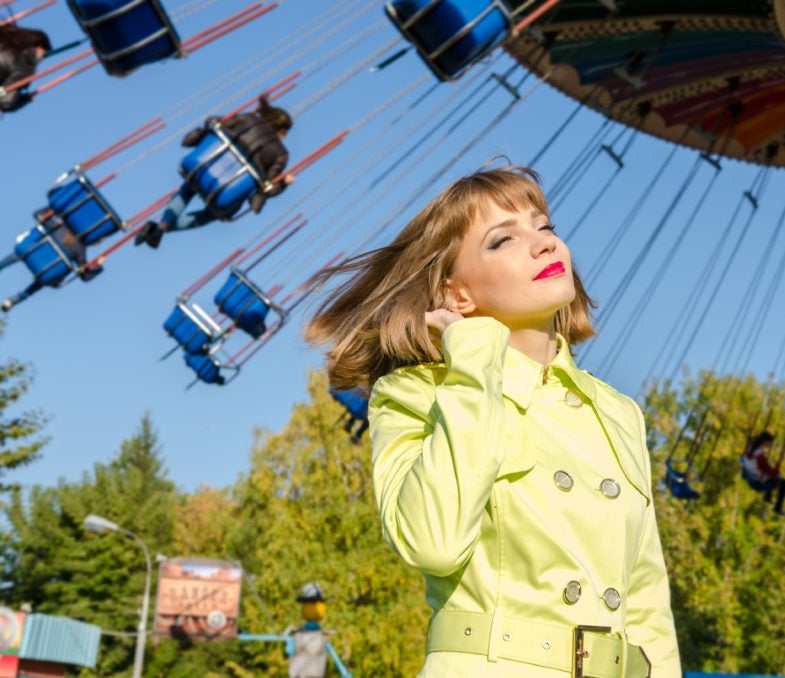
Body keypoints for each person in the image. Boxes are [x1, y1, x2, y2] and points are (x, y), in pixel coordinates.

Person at [305, 165, 682, 677]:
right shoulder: (417, 394)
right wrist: (473, 361)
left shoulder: (619, 413)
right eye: (503, 240)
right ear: (458, 294)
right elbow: (433, 543)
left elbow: (646, 603)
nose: (543, 244)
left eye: (544, 227)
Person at [135, 96, 295, 249]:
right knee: (212, 214)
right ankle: (159, 230)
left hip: (201, 166)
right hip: (224, 193)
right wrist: (284, 184)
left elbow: (216, 122)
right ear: (280, 130)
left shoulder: (248, 119)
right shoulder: (281, 154)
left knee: (188, 187)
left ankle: (162, 225)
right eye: (284, 134)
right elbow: (266, 187)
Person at [0, 209, 104, 312]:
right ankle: (13, 301)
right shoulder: (80, 249)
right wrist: (98, 265)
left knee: (23, 251)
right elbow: (85, 276)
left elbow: (37, 214)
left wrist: (55, 208)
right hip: (46, 270)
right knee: (43, 281)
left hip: (30, 253)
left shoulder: (57, 226)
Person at [0, 25, 51, 113]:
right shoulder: (25, 66)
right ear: (38, 47)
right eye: (43, 53)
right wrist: (25, 99)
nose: (42, 58)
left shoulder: (11, 46)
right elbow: (6, 103)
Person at [740, 430, 785, 516]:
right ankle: (777, 508)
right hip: (756, 483)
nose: (771, 445)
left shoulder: (750, 447)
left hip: (748, 475)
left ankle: (768, 497)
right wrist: (779, 462)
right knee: (783, 482)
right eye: (770, 442)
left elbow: (751, 439)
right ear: (765, 442)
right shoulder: (760, 458)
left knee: (772, 472)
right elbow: (772, 473)